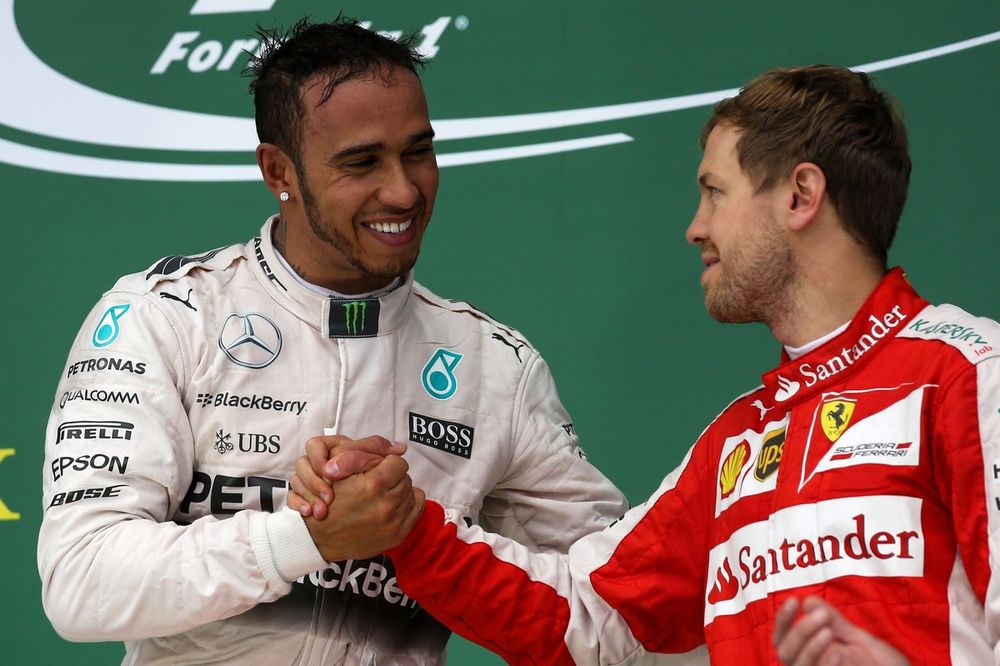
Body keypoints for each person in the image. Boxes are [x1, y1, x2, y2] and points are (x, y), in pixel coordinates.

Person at [291, 64, 1000, 664]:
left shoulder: (967, 374)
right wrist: (409, 526)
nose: (696, 226)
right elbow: (583, 616)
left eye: (714, 193)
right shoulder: (739, 441)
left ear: (800, 196)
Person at [36, 17, 627, 665]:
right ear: (278, 169)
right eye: (362, 161)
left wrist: (422, 530)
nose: (403, 189)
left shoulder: (496, 367)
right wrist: (304, 539)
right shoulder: (165, 318)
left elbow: (607, 611)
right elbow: (81, 582)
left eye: (419, 152)